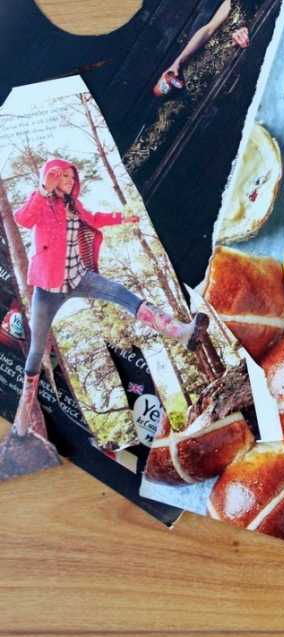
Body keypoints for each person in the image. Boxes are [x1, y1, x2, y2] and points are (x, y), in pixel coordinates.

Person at [11, 158, 199, 437]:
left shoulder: (74, 205)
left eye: (71, 176)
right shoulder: (42, 202)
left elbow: (95, 218)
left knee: (121, 293)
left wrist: (121, 217)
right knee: (37, 349)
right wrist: (42, 189)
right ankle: (24, 414)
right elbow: (23, 219)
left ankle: (181, 333)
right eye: (62, 176)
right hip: (47, 289)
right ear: (49, 177)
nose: (68, 180)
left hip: (79, 278)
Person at [125, 0, 284, 172]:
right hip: (190, 78)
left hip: (217, 95)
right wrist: (178, 62)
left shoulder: (276, 19)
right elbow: (208, 29)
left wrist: (250, 42)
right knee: (157, 132)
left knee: (180, 157)